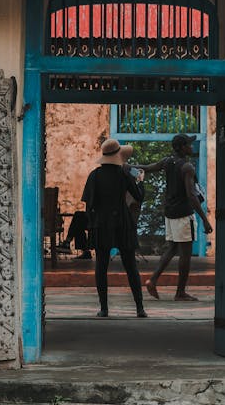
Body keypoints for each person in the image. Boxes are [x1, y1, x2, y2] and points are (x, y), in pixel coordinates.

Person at [141, 133, 213, 302]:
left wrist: (128, 166)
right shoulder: (187, 167)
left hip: (170, 212)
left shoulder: (167, 162)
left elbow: (148, 167)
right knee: (185, 255)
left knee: (172, 248)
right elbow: (191, 196)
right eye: (188, 144)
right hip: (183, 214)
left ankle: (152, 280)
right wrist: (204, 218)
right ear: (181, 147)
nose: (191, 146)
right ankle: (180, 292)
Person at [81, 138, 147, 318]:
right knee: (130, 266)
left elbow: (89, 205)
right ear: (118, 155)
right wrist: (140, 181)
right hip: (122, 223)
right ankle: (140, 308)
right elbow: (138, 196)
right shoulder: (124, 174)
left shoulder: (94, 175)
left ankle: (104, 309)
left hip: (102, 224)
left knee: (101, 267)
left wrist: (92, 224)